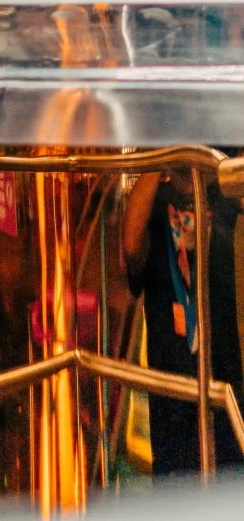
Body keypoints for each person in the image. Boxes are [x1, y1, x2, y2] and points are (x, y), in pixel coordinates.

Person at [124, 169, 244, 477]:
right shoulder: (153, 198)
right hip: (172, 377)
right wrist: (159, 160)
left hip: (225, 371)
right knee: (174, 477)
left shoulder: (223, 192)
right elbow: (131, 247)